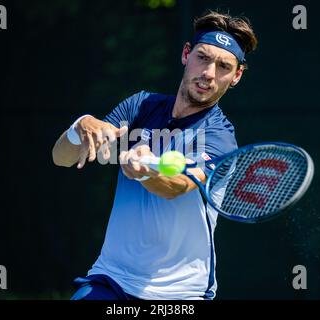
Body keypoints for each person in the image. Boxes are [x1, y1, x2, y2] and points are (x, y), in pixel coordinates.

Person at [52, 10, 258, 300]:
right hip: (111, 279)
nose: (209, 74)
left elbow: (176, 187)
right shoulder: (142, 106)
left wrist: (145, 170)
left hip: (181, 294)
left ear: (236, 76)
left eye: (223, 66)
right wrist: (82, 126)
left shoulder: (219, 138)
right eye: (202, 57)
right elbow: (61, 157)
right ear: (186, 54)